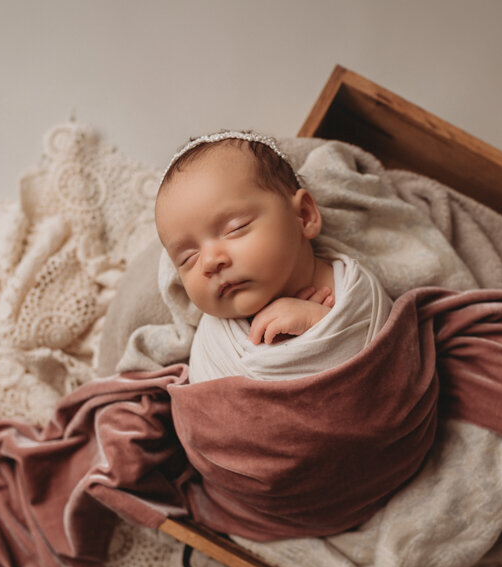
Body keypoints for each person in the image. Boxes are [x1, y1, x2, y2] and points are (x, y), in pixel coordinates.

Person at [154, 130, 391, 381]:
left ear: (304, 215)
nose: (210, 262)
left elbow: (389, 362)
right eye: (188, 258)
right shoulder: (214, 345)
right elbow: (205, 408)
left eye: (236, 228)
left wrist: (321, 324)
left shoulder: (353, 288)